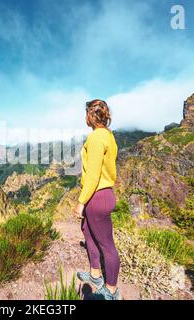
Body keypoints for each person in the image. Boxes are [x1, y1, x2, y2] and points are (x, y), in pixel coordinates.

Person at [74, 99, 121, 300]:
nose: (85, 117)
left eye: (86, 113)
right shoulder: (108, 136)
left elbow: (93, 175)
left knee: (107, 245)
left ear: (91, 116)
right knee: (87, 231)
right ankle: (95, 274)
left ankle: (111, 290)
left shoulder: (95, 138)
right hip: (104, 194)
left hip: (96, 196)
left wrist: (81, 201)